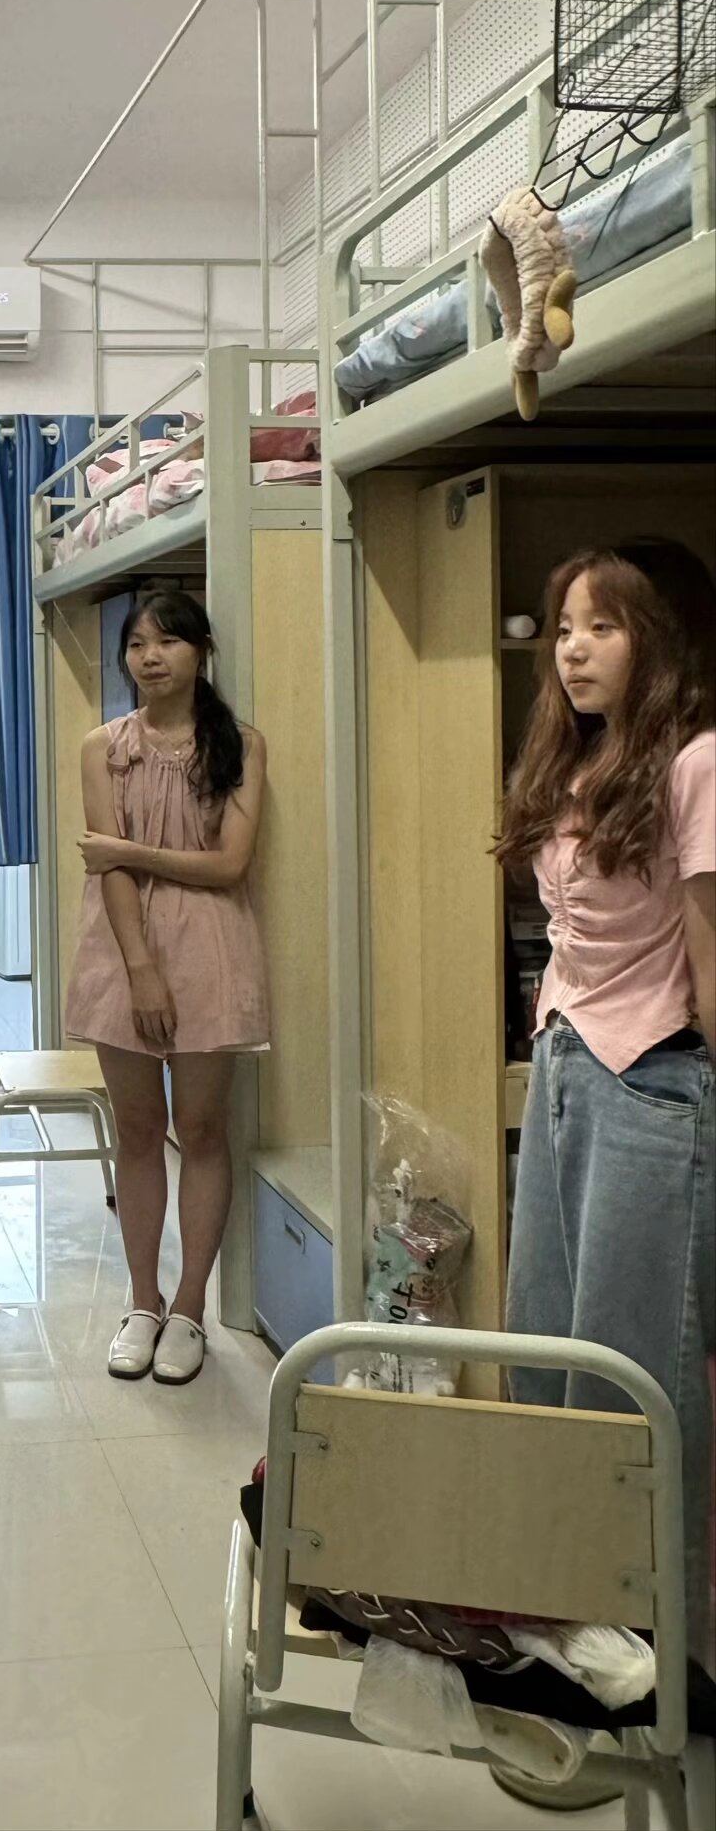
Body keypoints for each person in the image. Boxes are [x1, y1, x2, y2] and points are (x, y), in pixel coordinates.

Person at [496, 538, 715, 1665]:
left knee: (636, 1374)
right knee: (543, 1349)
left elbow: (710, 963)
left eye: (603, 626)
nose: (572, 650)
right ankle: (569, 1612)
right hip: (566, 1061)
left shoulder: (697, 763)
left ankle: (660, 1653)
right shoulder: (579, 761)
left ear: (659, 636)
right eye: (564, 628)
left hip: (655, 1079)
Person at [64, 587, 269, 1386]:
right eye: (137, 644)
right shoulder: (103, 747)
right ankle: (143, 1301)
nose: (150, 657)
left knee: (204, 1129)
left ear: (202, 649)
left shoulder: (241, 745)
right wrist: (141, 965)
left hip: (212, 949)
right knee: (139, 1129)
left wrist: (130, 850)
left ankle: (190, 1309)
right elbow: (106, 870)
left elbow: (231, 865)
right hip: (124, 952)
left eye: (168, 642)